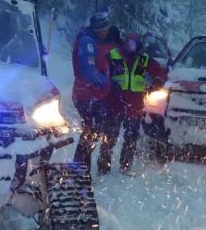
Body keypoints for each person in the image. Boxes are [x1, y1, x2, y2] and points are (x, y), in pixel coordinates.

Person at [71, 11, 123, 174]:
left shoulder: (93, 42)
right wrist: (106, 83)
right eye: (105, 29)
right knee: (91, 133)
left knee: (91, 133)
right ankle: (78, 171)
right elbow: (88, 70)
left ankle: (81, 171)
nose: (107, 32)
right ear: (99, 29)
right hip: (87, 95)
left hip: (92, 95)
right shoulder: (87, 43)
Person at [109, 32, 168, 174]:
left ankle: (125, 166)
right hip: (115, 101)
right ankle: (104, 167)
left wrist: (158, 80)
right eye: (128, 42)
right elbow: (102, 70)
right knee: (109, 136)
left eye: (133, 43)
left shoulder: (143, 59)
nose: (130, 46)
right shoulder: (113, 55)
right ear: (124, 42)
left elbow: (159, 70)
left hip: (134, 104)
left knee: (131, 136)